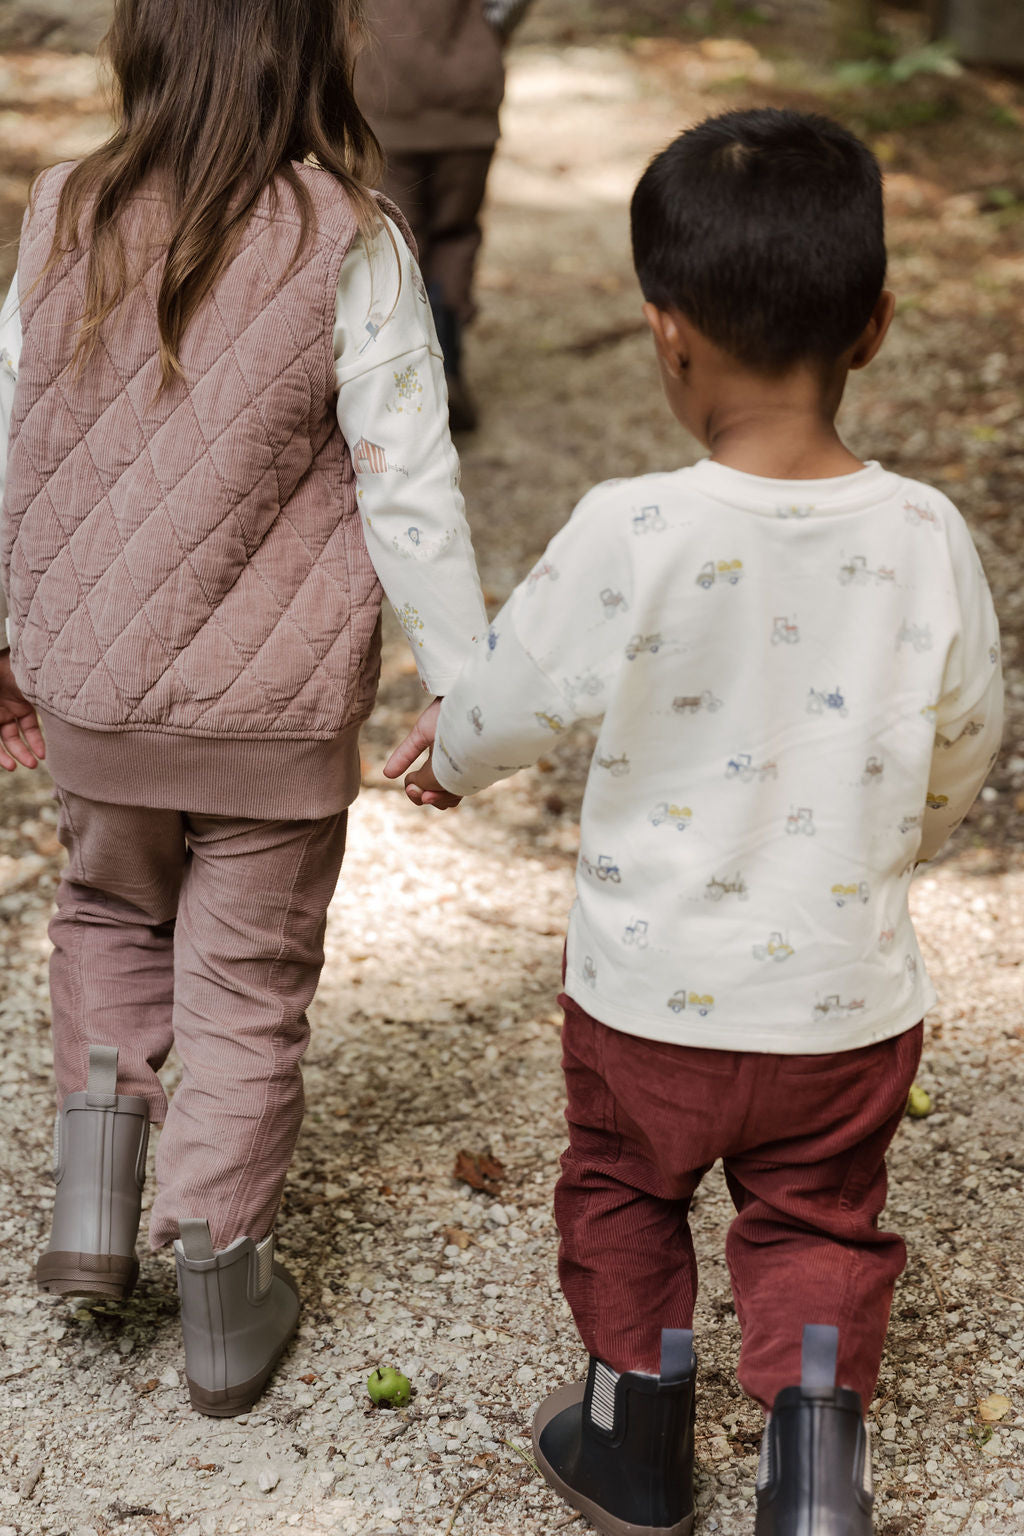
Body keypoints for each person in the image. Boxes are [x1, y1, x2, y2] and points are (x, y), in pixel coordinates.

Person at [384, 109, 1004, 1536]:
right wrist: (897, 845)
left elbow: (518, 693)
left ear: (665, 334)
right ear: (880, 324)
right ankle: (813, 1466)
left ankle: (637, 1434)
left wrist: (451, 757)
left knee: (622, 1191)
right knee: (817, 1219)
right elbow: (969, 729)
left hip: (648, 1001)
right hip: (841, 1001)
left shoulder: (632, 527)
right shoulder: (925, 536)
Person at [0, 0, 486, 1418]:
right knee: (250, 984)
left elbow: (10, 430)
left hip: (97, 690)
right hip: (270, 721)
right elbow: (409, 477)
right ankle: (218, 1273)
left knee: (106, 912)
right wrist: (461, 679)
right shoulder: (352, 237)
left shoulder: (60, 214)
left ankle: (93, 1208)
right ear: (312, 54)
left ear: (140, 48)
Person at [354, 0, 533, 431]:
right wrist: (489, 27)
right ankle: (446, 365)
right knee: (455, 234)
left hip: (386, 88)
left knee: (393, 240)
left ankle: (401, 385)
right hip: (468, 91)